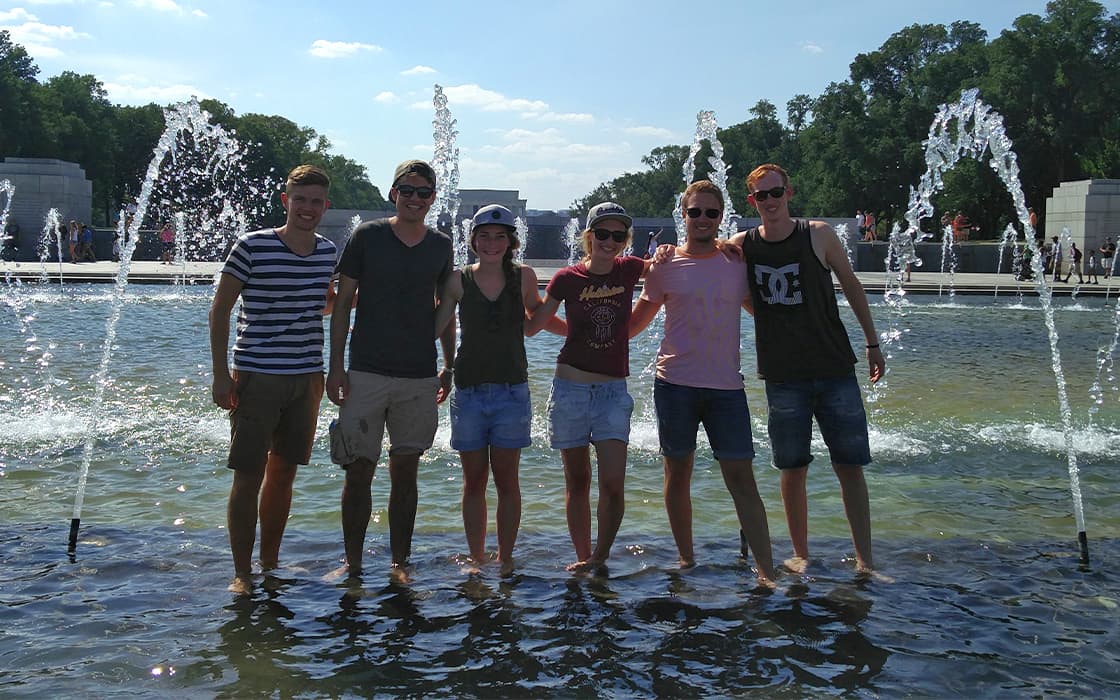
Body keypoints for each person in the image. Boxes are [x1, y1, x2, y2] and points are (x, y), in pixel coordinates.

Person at [729, 163, 884, 575]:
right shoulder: (742, 246)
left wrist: (872, 343)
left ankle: (865, 560)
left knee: (849, 465)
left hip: (834, 367)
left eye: (775, 192)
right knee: (792, 467)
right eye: (761, 196)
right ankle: (801, 553)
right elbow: (705, 261)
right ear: (752, 201)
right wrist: (663, 255)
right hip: (782, 375)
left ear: (789, 193)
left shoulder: (818, 235)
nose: (770, 201)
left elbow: (851, 285)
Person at [628, 181, 776, 583]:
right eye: (695, 212)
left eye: (712, 213)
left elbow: (767, 314)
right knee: (677, 475)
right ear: (684, 215)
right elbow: (634, 324)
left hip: (726, 389)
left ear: (721, 217)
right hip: (674, 385)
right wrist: (586, 331)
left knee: (742, 479)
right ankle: (686, 561)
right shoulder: (664, 265)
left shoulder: (736, 262)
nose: (703, 219)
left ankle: (766, 571)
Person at [207, 164, 337, 594]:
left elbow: (325, 303)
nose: (307, 208)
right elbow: (220, 309)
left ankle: (270, 563)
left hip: (307, 377)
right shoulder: (252, 245)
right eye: (300, 200)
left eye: (316, 201)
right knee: (248, 474)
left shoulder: (327, 252)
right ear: (286, 201)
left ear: (326, 206)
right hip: (257, 375)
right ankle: (242, 572)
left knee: (284, 475)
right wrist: (220, 374)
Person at [327, 159, 455, 581]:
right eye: (408, 190)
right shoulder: (368, 236)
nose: (415, 198)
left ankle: (400, 563)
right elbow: (342, 306)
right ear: (393, 193)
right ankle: (353, 563)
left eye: (424, 192)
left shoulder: (441, 245)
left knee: (406, 473)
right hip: (365, 370)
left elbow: (446, 309)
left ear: (433, 198)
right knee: (358, 470)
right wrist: (336, 366)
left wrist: (449, 365)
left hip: (418, 375)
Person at [432, 204, 563, 573]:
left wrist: (563, 303)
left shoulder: (524, 277)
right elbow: (436, 327)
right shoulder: (457, 280)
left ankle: (505, 558)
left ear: (511, 241)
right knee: (473, 482)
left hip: (512, 392)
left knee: (508, 482)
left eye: (499, 236)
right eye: (484, 236)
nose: (492, 243)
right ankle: (476, 557)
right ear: (473, 241)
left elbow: (532, 325)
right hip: (468, 392)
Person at [526, 202, 650, 572]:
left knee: (613, 483)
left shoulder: (630, 269)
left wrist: (721, 247)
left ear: (625, 240)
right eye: (602, 234)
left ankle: (600, 556)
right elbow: (534, 325)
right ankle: (582, 557)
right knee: (577, 481)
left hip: (612, 393)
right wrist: (506, 291)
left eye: (618, 235)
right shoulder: (566, 278)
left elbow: (672, 263)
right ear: (589, 236)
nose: (609, 241)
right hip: (570, 390)